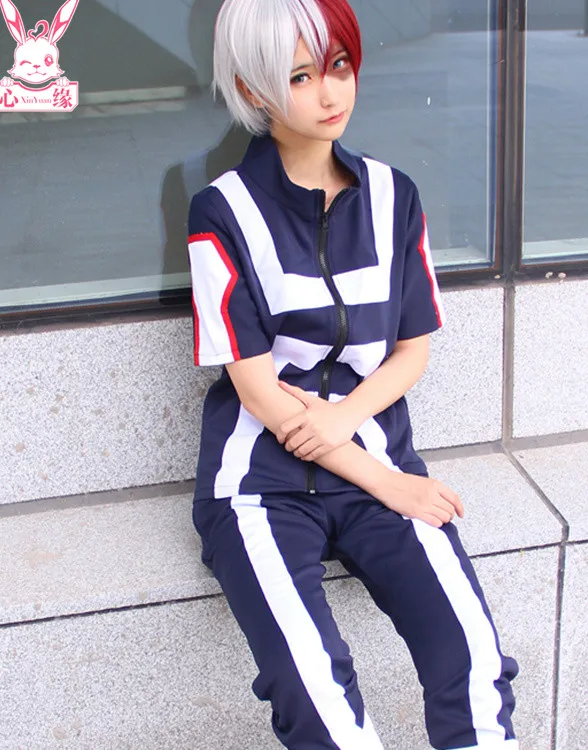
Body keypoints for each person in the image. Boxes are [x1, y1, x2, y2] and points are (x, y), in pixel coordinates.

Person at [186, 0, 520, 748]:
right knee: (314, 691)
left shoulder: (395, 196)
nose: (330, 92)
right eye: (301, 77)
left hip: (374, 458)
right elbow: (258, 389)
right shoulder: (223, 210)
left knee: (472, 659)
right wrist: (388, 483)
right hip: (260, 485)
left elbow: (412, 350)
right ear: (253, 89)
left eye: (338, 66)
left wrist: (345, 423)